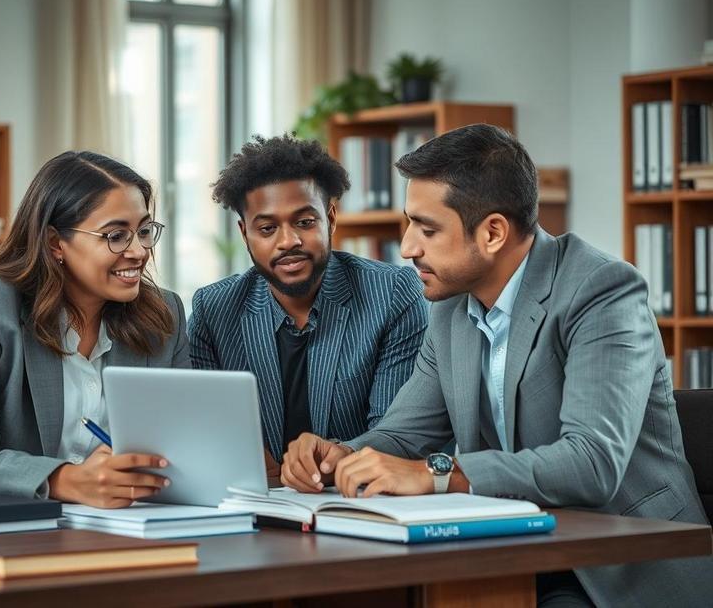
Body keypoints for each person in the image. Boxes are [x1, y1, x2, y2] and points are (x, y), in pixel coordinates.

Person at [281, 124, 713, 607]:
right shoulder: (449, 307)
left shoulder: (602, 292)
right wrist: (343, 457)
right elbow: (403, 436)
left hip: (619, 566)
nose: (407, 248)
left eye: (427, 229)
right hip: (512, 553)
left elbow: (593, 463)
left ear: (492, 232)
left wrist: (439, 473)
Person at [0, 151, 190, 508]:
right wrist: (66, 479)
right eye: (116, 235)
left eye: (143, 231)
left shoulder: (163, 313)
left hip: (118, 528)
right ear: (54, 243)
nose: (138, 251)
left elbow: (186, 444)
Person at [188, 134, 427, 477]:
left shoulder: (392, 295)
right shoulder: (214, 310)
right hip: (254, 503)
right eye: (267, 228)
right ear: (245, 235)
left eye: (304, 222)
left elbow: (396, 435)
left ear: (330, 219)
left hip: (356, 502)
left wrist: (334, 461)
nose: (289, 241)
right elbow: (202, 431)